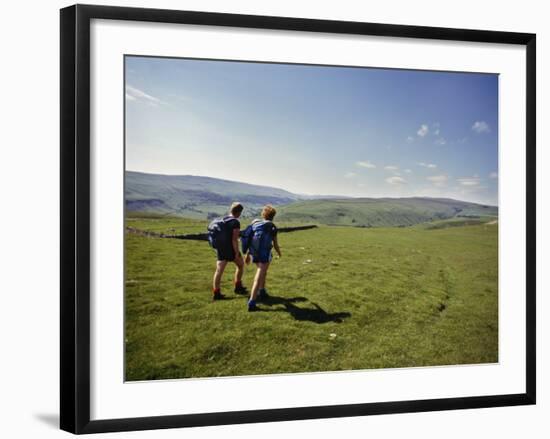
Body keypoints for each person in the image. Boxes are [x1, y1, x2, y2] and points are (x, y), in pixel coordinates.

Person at [245, 205, 282, 312]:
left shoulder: (256, 224)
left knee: (263, 272)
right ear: (273, 216)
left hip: (254, 252)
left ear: (263, 214)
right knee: (259, 275)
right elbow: (275, 243)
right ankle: (252, 301)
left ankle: (262, 291)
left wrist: (247, 255)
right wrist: (279, 253)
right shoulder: (272, 227)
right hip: (264, 254)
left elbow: (250, 240)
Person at [210, 202, 248, 300]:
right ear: (239, 212)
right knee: (240, 265)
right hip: (230, 249)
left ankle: (216, 293)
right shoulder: (235, 222)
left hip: (221, 248)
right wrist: (236, 253)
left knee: (219, 271)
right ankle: (238, 286)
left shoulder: (223, 219)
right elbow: (234, 239)